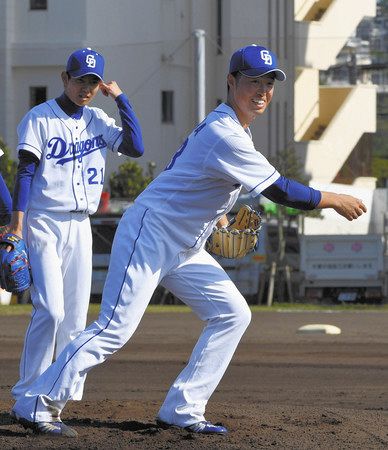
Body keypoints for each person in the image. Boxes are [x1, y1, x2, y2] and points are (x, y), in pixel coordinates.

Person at [11, 44, 366, 437]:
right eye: (253, 82)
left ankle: (183, 406)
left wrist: (220, 214)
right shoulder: (224, 131)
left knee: (233, 313)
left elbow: (190, 175)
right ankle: (36, 404)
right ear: (231, 83)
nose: (262, 90)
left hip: (183, 245)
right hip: (150, 234)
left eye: (268, 83)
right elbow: (280, 191)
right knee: (114, 329)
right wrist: (333, 199)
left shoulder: (233, 130)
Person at [8, 48, 144, 406]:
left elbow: (136, 147)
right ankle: (27, 393)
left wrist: (120, 98)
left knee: (75, 319)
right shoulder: (39, 118)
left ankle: (56, 399)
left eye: (93, 81)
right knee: (50, 310)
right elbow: (24, 172)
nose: (86, 86)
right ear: (64, 78)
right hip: (44, 222)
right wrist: (17, 225)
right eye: (80, 79)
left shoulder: (98, 119)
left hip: (81, 224)